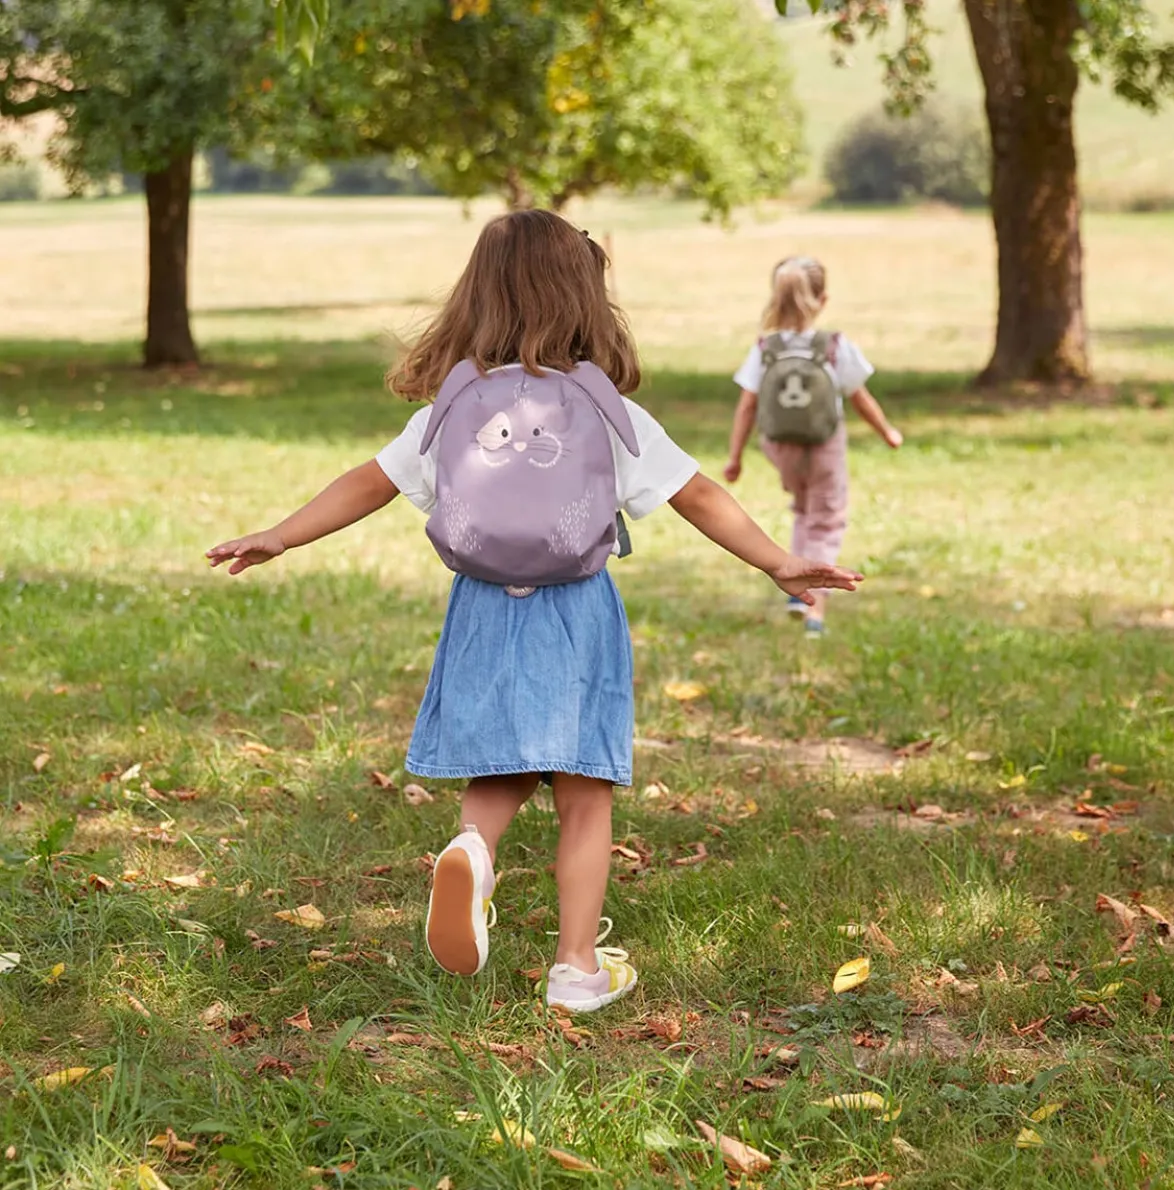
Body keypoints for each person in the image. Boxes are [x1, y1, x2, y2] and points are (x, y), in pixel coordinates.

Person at [207, 211, 862, 1014]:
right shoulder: (605, 410)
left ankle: (474, 850)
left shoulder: (454, 406)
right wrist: (777, 561)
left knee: (499, 766)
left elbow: (369, 481)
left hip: (482, 606)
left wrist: (281, 534)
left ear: (477, 296)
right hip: (576, 611)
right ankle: (576, 968)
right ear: (585, 297)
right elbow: (697, 495)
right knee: (585, 792)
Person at [724, 255, 901, 636]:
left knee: (805, 510)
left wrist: (735, 457)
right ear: (822, 300)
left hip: (780, 447)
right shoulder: (834, 346)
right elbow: (859, 397)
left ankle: (794, 587)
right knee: (826, 518)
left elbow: (747, 406)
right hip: (824, 445)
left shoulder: (765, 347)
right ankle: (815, 608)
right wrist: (887, 431)